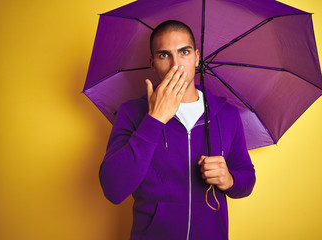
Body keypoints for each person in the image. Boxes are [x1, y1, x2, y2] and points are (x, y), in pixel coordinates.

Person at [99, 20, 256, 240]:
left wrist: (229, 179)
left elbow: (247, 179)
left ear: (197, 57)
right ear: (152, 63)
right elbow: (113, 189)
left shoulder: (227, 114)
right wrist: (154, 120)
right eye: (164, 55)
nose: (176, 64)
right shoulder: (131, 113)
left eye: (184, 52)